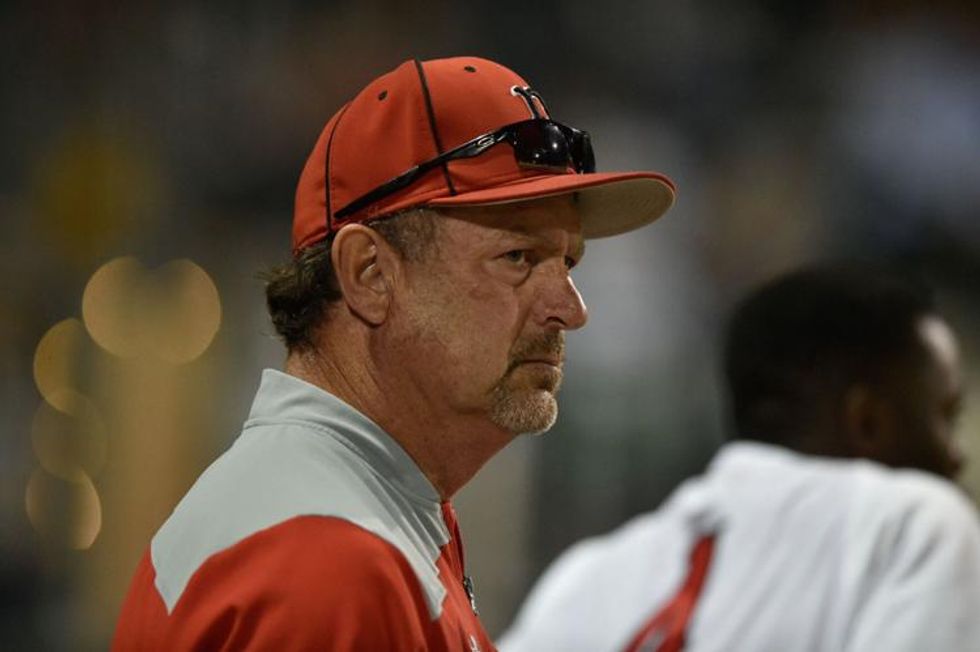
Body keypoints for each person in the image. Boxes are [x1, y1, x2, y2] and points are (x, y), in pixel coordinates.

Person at [111, 56, 676, 650]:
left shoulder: (353, 510)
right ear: (370, 274)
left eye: (568, 262)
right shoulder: (328, 563)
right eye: (518, 258)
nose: (571, 308)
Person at [501, 266, 980, 652]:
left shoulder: (586, 578)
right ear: (867, 420)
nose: (956, 455)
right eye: (945, 415)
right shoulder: (915, 526)